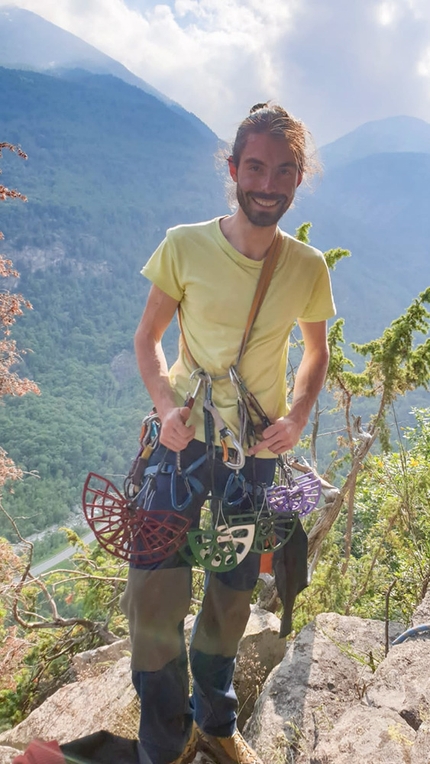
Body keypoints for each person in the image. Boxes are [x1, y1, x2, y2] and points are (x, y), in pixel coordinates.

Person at [120, 102, 336, 764]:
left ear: (299, 177)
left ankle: (215, 723)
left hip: (254, 455)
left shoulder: (306, 266)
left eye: (283, 170)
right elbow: (149, 340)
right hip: (180, 446)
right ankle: (164, 741)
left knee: (232, 592)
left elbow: (316, 354)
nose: (267, 184)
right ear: (233, 168)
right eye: (255, 167)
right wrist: (163, 404)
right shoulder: (185, 245)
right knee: (154, 597)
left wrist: (297, 416)